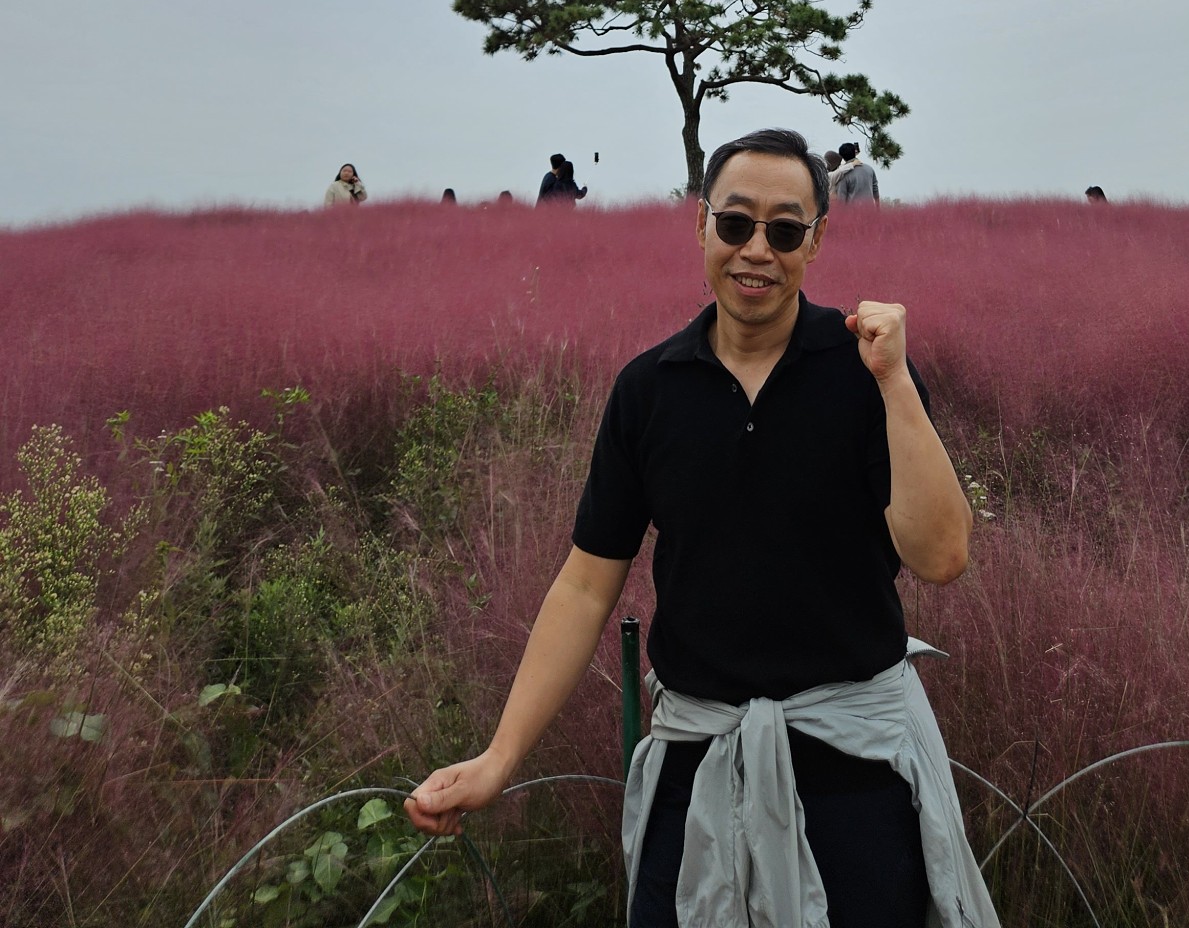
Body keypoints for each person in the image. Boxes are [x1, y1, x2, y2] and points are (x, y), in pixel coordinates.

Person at [405, 127, 993, 928]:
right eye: (736, 223)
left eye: (784, 231)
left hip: (856, 776)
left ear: (817, 241)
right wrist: (499, 757)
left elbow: (942, 554)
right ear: (701, 224)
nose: (756, 250)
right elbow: (585, 586)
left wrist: (893, 383)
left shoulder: (866, 373)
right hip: (698, 769)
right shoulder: (650, 390)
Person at [831, 139, 880, 205]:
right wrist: (877, 207)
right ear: (855, 152)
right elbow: (875, 190)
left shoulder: (844, 173)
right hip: (869, 208)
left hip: (852, 210)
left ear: (842, 156)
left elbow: (841, 199)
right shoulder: (869, 169)